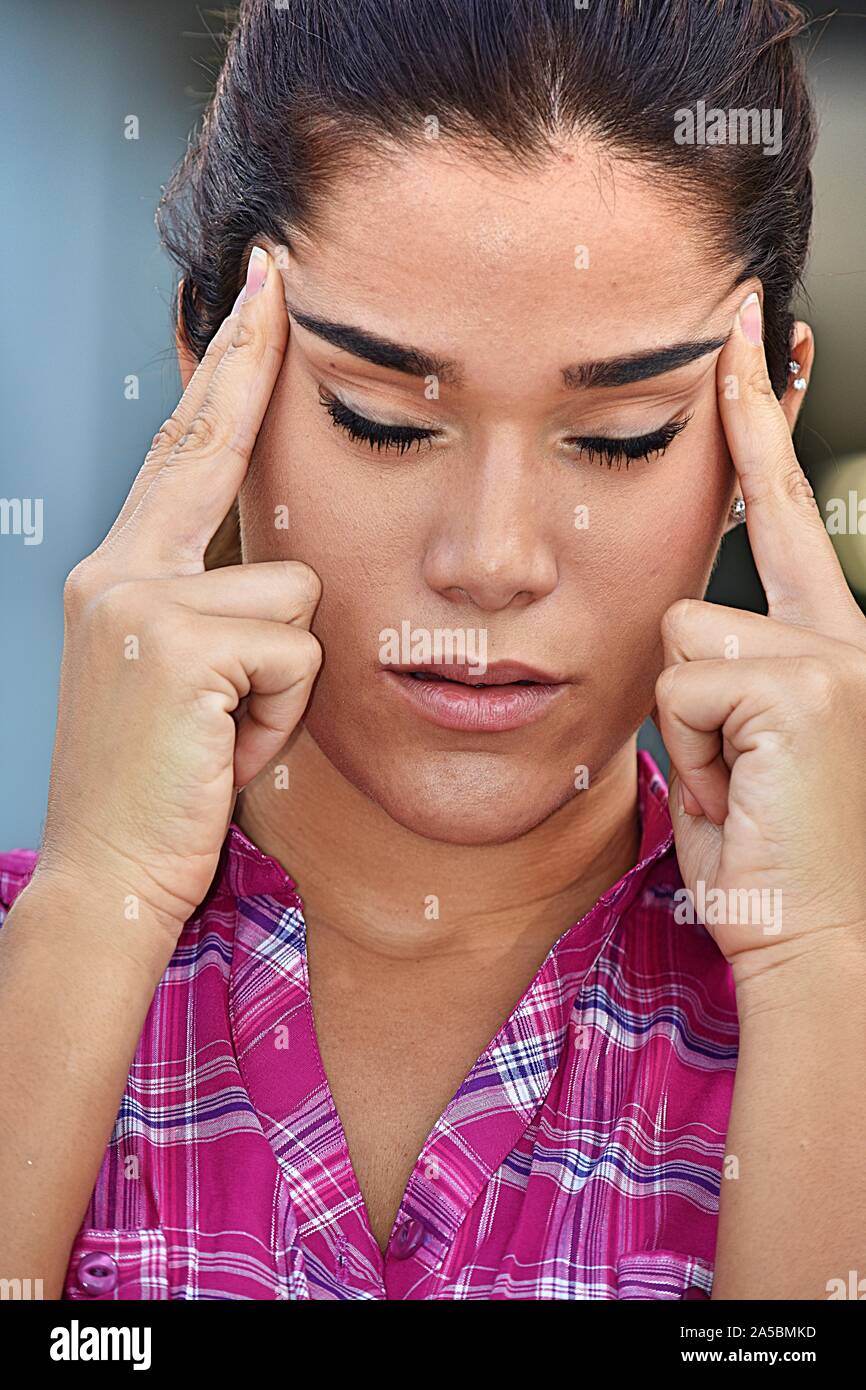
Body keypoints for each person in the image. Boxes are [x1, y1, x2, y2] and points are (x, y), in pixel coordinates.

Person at [1, 0, 865, 1301]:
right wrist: (92, 901)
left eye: (620, 433)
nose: (491, 555)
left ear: (767, 420)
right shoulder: (41, 953)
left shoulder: (832, 1007)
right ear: (207, 355)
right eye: (383, 419)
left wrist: (819, 971)